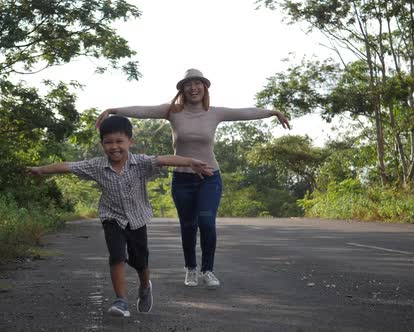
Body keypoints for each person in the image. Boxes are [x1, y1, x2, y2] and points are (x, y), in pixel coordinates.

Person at [95, 68, 291, 289]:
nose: (193, 87)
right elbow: (143, 110)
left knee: (206, 222)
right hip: (183, 179)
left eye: (198, 83)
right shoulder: (172, 111)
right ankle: (190, 268)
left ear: (204, 87)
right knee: (188, 226)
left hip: (210, 176)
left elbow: (244, 112)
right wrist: (113, 110)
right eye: (188, 84)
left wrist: (272, 112)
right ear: (182, 89)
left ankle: (208, 270)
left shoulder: (215, 113)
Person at [28, 116, 214, 317]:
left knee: (140, 262)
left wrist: (190, 162)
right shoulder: (96, 166)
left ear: (130, 142)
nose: (114, 147)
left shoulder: (141, 163)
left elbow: (165, 159)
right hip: (112, 218)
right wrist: (41, 170)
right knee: (116, 256)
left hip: (137, 220)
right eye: (108, 142)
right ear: (102, 144)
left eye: (119, 141)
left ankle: (145, 286)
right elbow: (68, 166)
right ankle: (121, 301)